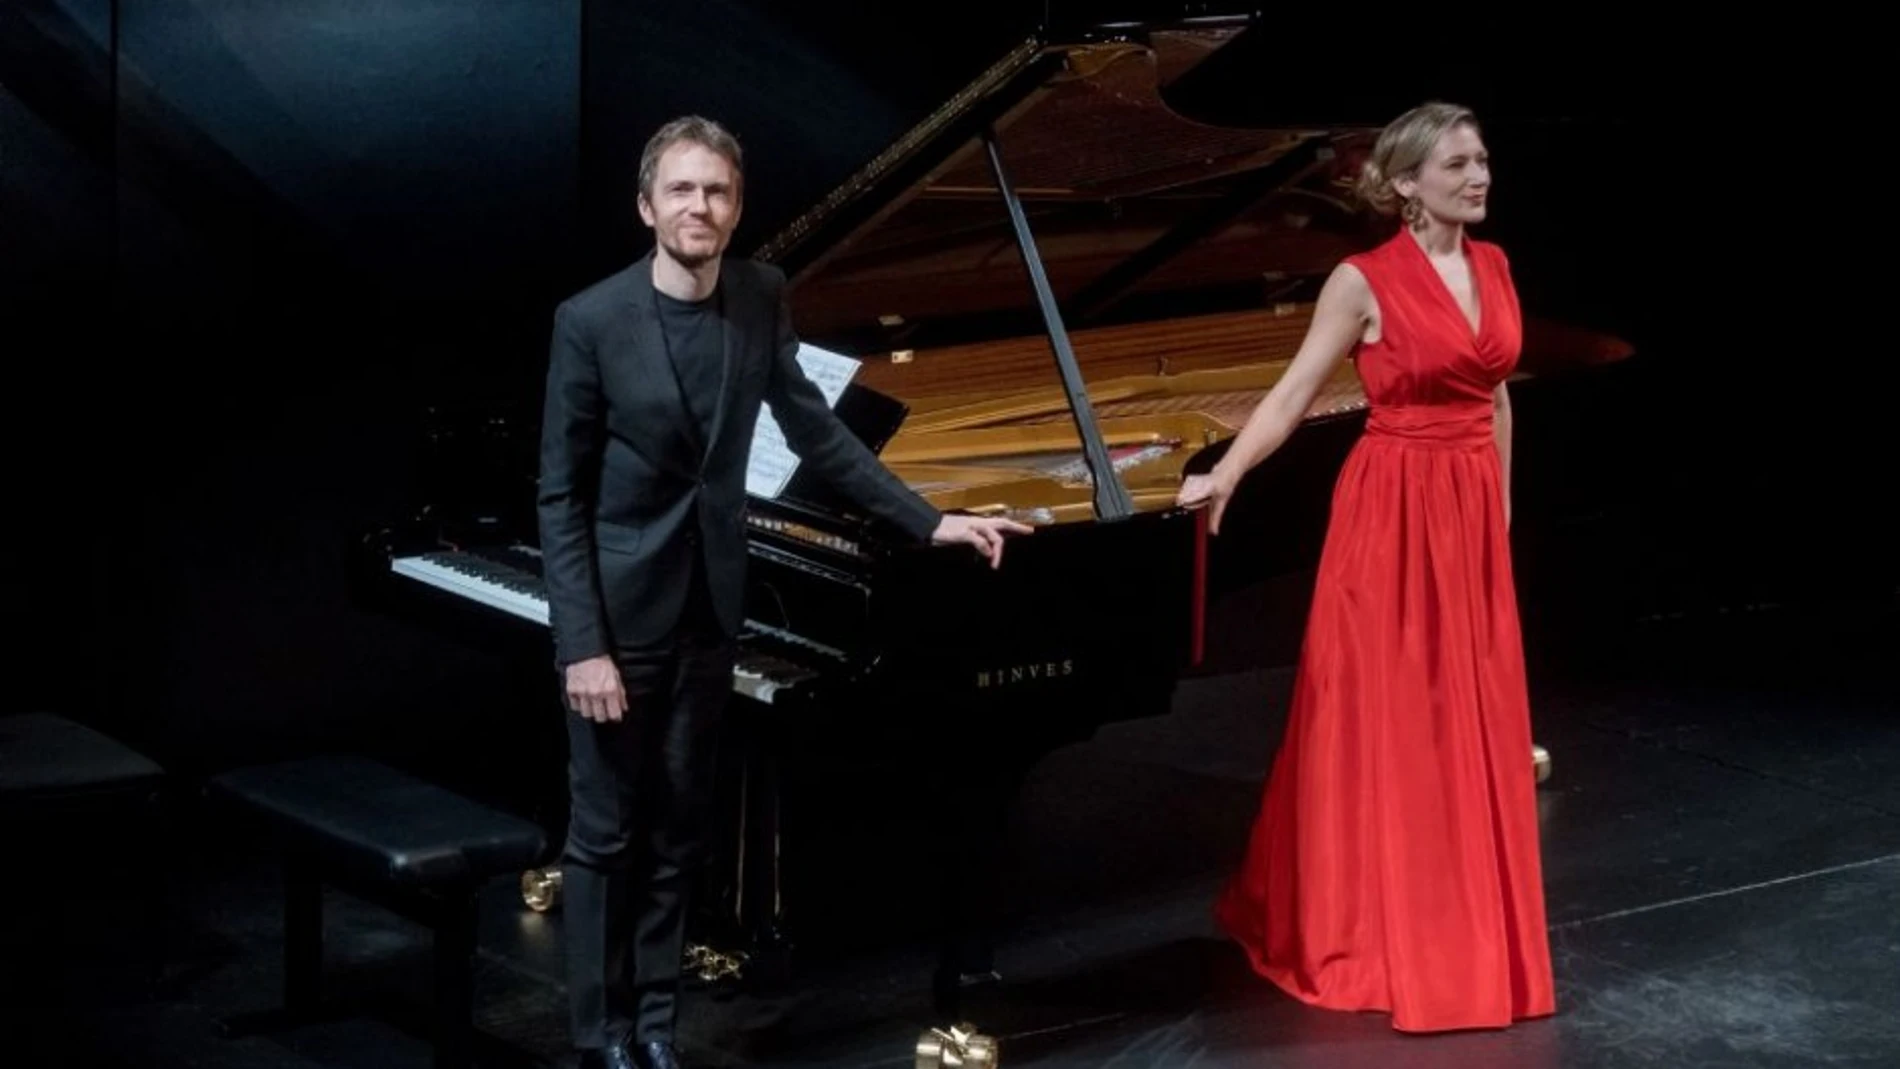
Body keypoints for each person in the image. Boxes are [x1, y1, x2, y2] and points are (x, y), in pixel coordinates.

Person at [537, 115, 1032, 1069]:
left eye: (717, 191)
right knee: (603, 832)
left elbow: (818, 433)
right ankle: (597, 1033)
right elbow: (560, 496)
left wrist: (929, 520)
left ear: (737, 209)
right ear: (647, 207)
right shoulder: (590, 320)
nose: (700, 206)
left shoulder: (762, 296)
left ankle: (653, 1025)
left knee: (683, 826)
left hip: (712, 611)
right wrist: (581, 643)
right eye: (681, 190)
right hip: (618, 616)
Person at [1176, 101, 1555, 1033]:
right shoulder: (1362, 279)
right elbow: (1295, 394)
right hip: (1391, 513)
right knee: (1386, 718)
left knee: (1471, 716)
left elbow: (1498, 398)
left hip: (1468, 511)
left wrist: (1498, 513)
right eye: (1460, 165)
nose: (1480, 177)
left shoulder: (1496, 265)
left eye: (1484, 160)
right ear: (1406, 184)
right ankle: (1375, 930)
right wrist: (1224, 471)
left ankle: (1465, 922)